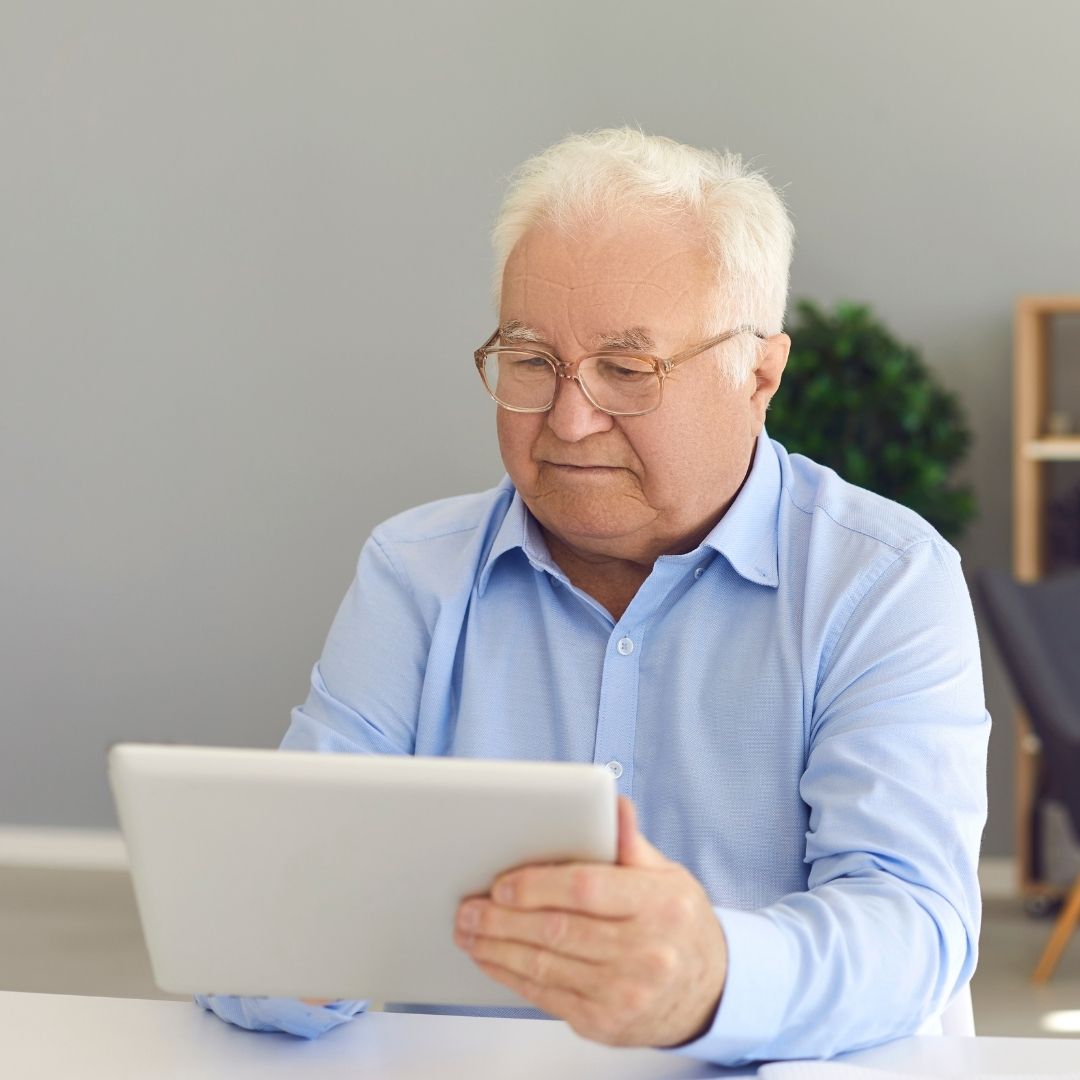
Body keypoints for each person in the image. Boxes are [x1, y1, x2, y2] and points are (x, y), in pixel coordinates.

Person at [197, 128, 989, 1065]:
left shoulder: (882, 580)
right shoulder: (415, 572)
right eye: (531, 361)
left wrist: (712, 978)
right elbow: (264, 907)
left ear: (759, 375)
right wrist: (285, 956)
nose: (570, 421)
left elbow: (912, 922)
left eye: (626, 370)